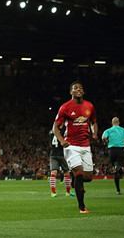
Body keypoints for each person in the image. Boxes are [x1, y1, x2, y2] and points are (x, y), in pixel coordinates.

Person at [53, 81, 98, 213]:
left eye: (81, 88)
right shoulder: (65, 107)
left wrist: (94, 133)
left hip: (85, 145)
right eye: (75, 88)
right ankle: (82, 206)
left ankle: (74, 180)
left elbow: (94, 122)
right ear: (71, 92)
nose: (78, 89)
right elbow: (55, 127)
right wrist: (62, 141)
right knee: (79, 173)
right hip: (71, 145)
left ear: (83, 92)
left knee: (88, 177)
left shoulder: (89, 106)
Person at [102, 117, 124, 195]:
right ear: (119, 123)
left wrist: (106, 143)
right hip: (120, 150)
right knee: (120, 167)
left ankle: (118, 190)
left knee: (115, 170)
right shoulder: (123, 130)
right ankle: (119, 168)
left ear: (112, 123)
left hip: (111, 150)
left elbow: (104, 138)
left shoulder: (108, 130)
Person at [49, 128, 74, 197]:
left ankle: (53, 192)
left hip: (53, 154)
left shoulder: (51, 132)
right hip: (62, 154)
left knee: (53, 172)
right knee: (66, 172)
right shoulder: (63, 132)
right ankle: (68, 192)